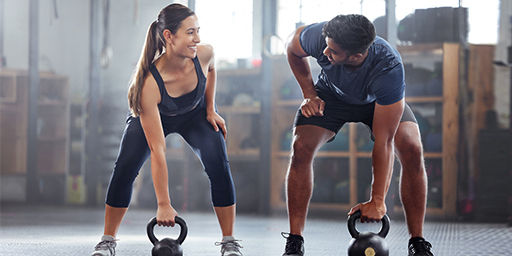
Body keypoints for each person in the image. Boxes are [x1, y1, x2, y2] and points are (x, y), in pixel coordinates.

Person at [91, 4, 243, 256]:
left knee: (218, 161)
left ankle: (229, 242)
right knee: (125, 167)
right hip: (154, 117)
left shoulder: (204, 54)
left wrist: (210, 109)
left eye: (198, 31)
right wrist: (164, 204)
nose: (198, 39)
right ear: (169, 37)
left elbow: (212, 70)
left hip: (194, 115)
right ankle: (107, 240)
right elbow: (158, 150)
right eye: (190, 32)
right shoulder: (149, 84)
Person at [281, 14, 434, 256]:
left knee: (412, 148)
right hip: (330, 96)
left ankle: (417, 242)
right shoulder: (322, 37)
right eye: (326, 46)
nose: (325, 53)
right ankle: (295, 241)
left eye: (333, 52)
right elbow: (292, 47)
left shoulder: (388, 67)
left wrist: (378, 199)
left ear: (357, 56)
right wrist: (309, 94)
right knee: (300, 147)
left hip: (377, 103)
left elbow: (384, 142)